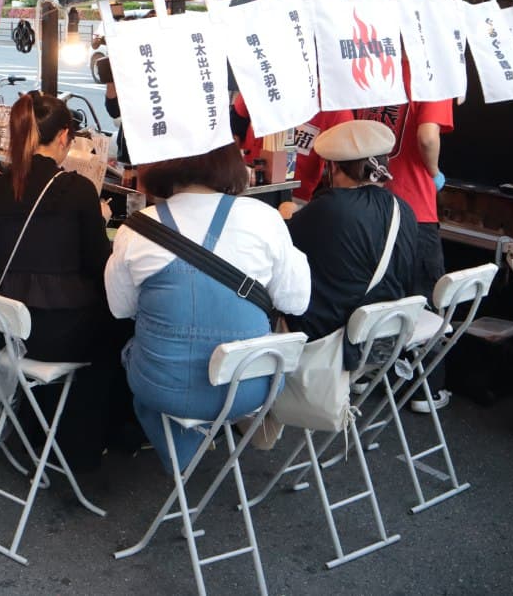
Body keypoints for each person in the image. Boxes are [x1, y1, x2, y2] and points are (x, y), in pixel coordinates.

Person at [105, 142, 310, 471]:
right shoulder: (265, 218)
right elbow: (295, 301)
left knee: (131, 348)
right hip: (252, 388)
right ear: (229, 161)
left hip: (162, 388)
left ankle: (183, 446)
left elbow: (120, 309)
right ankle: (205, 433)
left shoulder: (136, 229)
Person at [0, 92, 127, 471]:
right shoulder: (77, 190)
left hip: (4, 330)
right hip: (59, 334)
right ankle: (86, 443)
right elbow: (98, 268)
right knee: (120, 327)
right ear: (63, 136)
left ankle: (37, 430)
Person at [356, 67, 454, 411]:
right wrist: (434, 172)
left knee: (378, 295)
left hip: (372, 205)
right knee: (424, 296)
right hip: (416, 210)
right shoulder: (433, 75)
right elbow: (427, 136)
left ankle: (372, 373)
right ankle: (425, 389)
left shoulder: (373, 68)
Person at [284, 121, 417, 370]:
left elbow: (284, 244)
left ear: (334, 168)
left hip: (330, 336)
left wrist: (287, 213)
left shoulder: (331, 207)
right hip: (382, 333)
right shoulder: (404, 209)